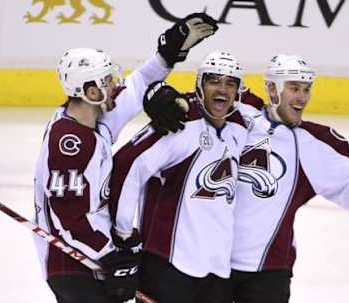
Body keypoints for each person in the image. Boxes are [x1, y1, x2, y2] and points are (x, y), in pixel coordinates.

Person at [145, 54, 349, 303]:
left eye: (306, 89)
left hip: (267, 274)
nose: (301, 97)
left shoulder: (314, 143)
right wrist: (162, 99)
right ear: (272, 88)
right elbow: (202, 97)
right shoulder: (239, 114)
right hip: (211, 266)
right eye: (294, 88)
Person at [32, 13, 218, 303]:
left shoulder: (94, 120)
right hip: (73, 266)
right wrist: (112, 254)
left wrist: (167, 53)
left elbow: (138, 83)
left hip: (94, 259)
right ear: (91, 92)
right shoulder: (69, 143)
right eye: (107, 81)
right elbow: (68, 218)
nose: (115, 85)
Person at [107, 51, 251, 303]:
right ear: (199, 85)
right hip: (167, 265)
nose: (222, 89)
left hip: (217, 271)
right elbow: (127, 164)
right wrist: (123, 236)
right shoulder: (178, 122)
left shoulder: (239, 128)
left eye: (230, 83)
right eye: (213, 81)